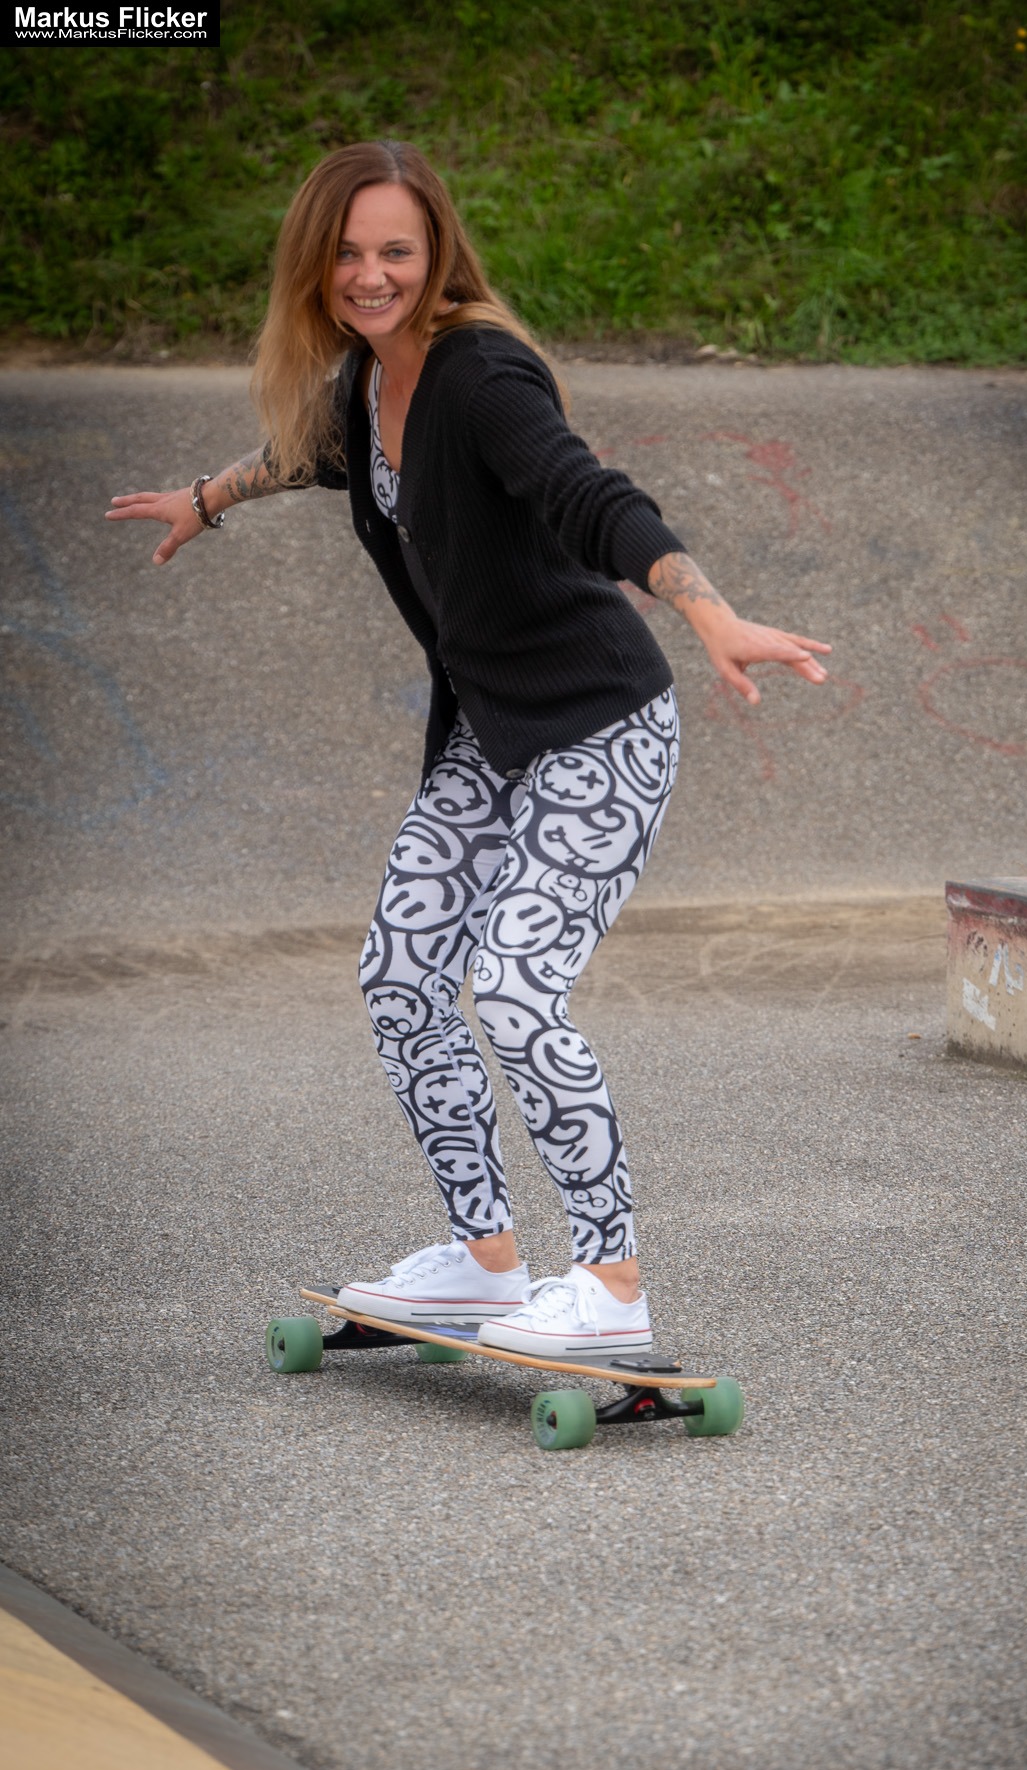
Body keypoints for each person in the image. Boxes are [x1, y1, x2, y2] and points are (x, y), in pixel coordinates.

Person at [107, 140, 829, 1358]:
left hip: (598, 726)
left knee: (513, 988)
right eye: (348, 253)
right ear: (314, 265)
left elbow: (589, 495)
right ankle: (485, 1263)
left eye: (396, 250)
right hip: (491, 735)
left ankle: (609, 1287)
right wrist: (205, 499)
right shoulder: (360, 384)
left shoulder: (481, 375)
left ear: (436, 251)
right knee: (400, 976)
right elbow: (303, 456)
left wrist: (707, 611)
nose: (372, 275)